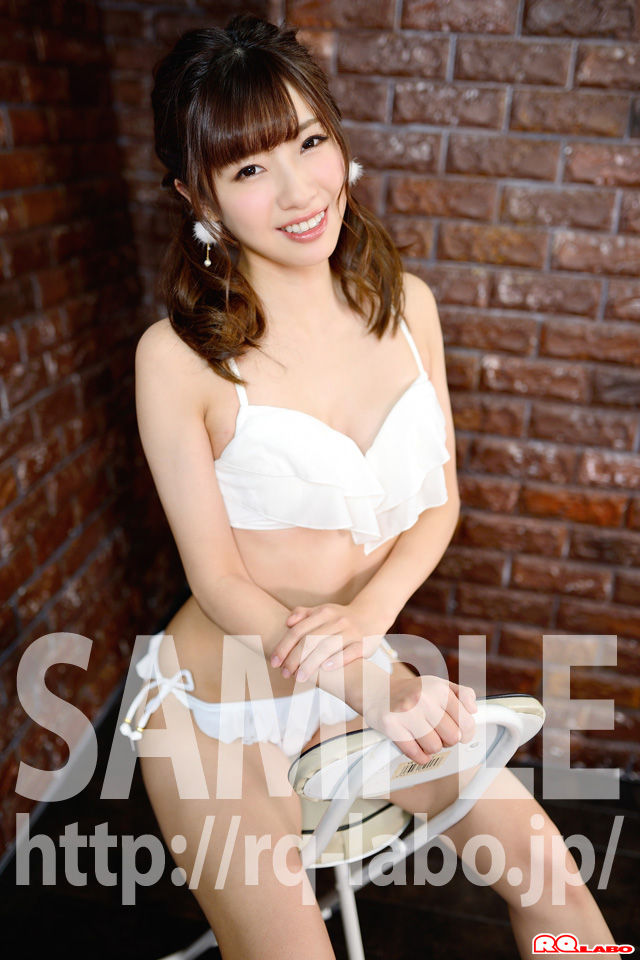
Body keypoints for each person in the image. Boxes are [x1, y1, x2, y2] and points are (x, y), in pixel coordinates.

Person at [121, 14, 620, 960]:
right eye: (250, 168)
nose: (300, 190)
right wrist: (373, 678)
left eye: (311, 143)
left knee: (549, 872)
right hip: (219, 704)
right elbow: (220, 581)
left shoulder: (407, 306)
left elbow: (439, 504)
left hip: (363, 668)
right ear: (196, 194)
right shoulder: (176, 360)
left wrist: (371, 622)